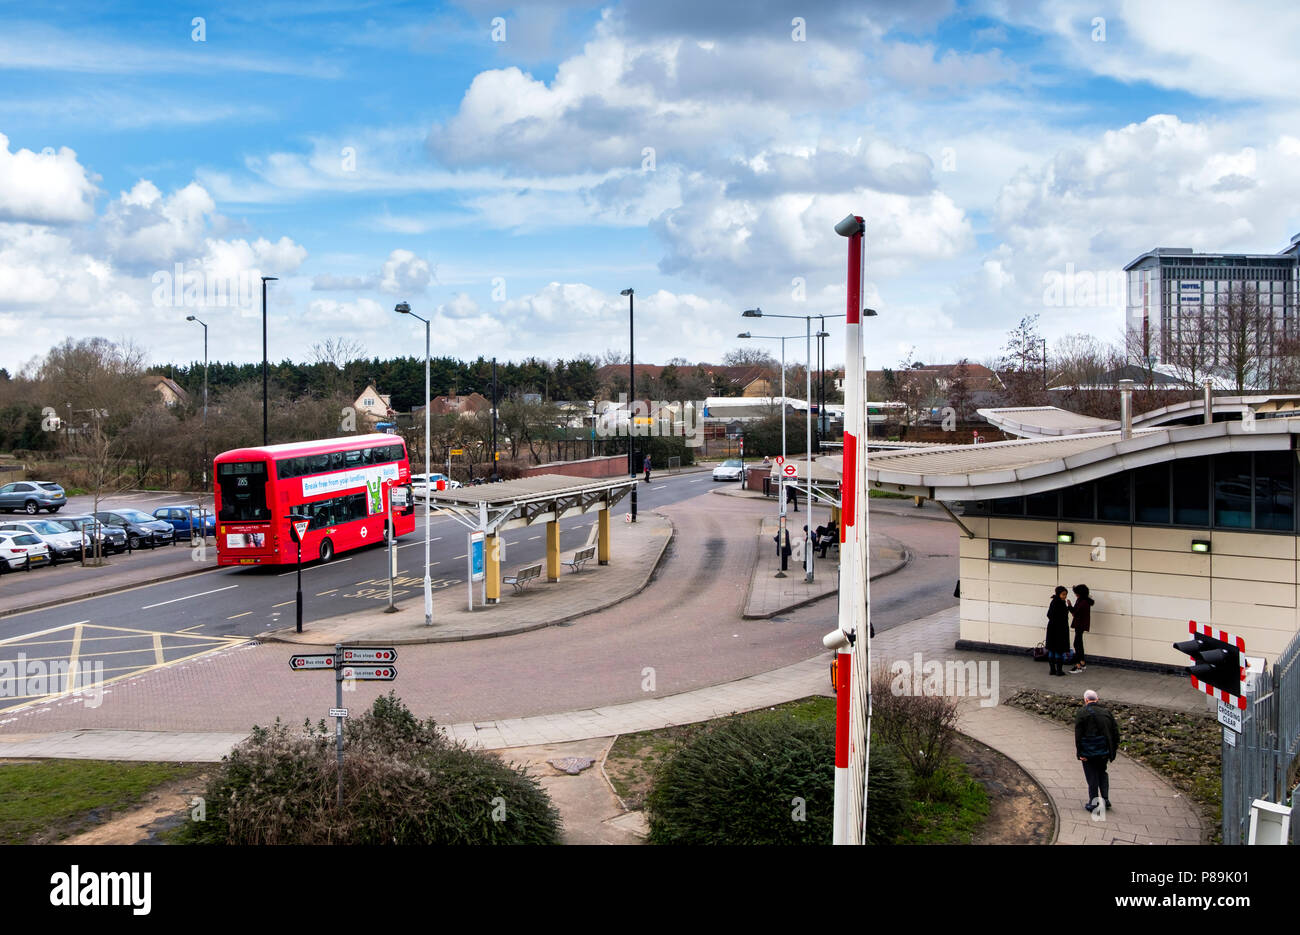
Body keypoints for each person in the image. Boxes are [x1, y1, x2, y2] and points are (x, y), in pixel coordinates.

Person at [1074, 689, 1120, 812]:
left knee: (1092, 776)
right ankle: (1105, 799)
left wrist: (1080, 753)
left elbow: (1078, 735)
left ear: (1085, 700)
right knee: (1102, 774)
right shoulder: (1106, 712)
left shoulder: (1082, 713)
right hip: (1104, 751)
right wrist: (1112, 750)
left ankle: (1094, 802)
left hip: (1089, 751)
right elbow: (1115, 732)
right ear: (1097, 699)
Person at [1045, 585, 1072, 676]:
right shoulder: (1060, 603)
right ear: (1059, 594)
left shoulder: (1053, 602)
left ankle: (1052, 670)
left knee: (1052, 650)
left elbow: (1049, 614)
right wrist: (1068, 608)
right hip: (1059, 630)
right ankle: (1059, 671)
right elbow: (1062, 616)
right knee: (1058, 650)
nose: (1065, 596)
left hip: (1051, 628)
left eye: (1065, 594)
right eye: (1063, 594)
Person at [1069, 584, 1094, 673]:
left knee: (1077, 644)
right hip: (1080, 625)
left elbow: (1075, 613)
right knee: (1079, 643)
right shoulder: (1082, 600)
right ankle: (1082, 663)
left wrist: (1069, 606)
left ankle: (1079, 665)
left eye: (1076, 593)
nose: (1075, 594)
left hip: (1080, 624)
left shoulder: (1083, 602)